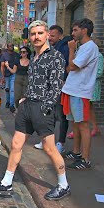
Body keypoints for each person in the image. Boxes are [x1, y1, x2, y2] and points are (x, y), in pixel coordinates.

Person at [0, 20, 70, 201]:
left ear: (47, 34)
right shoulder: (34, 56)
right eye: (33, 34)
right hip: (28, 105)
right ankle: (6, 182)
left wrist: (46, 107)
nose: (36, 37)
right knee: (16, 144)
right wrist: (24, 99)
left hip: (42, 107)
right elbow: (34, 82)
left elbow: (56, 86)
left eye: (40, 33)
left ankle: (63, 185)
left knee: (49, 148)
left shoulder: (55, 56)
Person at [60, 18, 99, 170]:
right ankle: (76, 152)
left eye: (75, 30)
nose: (72, 33)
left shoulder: (89, 47)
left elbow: (72, 66)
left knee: (83, 124)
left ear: (84, 30)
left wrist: (70, 50)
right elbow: (70, 68)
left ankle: (85, 158)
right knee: (75, 123)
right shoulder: (82, 47)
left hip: (80, 91)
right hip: (73, 89)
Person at [35, 24, 71, 152]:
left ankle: (60, 143)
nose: (50, 38)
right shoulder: (51, 48)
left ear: (60, 35)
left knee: (61, 116)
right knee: (47, 114)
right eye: (49, 35)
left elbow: (67, 67)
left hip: (60, 87)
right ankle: (46, 140)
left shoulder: (64, 48)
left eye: (53, 35)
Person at [0, 43, 20, 113]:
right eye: (10, 46)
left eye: (12, 46)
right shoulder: (4, 55)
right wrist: (2, 77)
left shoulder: (17, 55)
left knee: (12, 90)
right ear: (7, 47)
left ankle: (11, 105)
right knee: (7, 89)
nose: (12, 47)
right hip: (6, 74)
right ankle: (8, 101)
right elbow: (2, 67)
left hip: (14, 74)